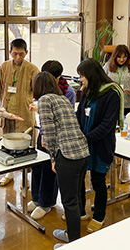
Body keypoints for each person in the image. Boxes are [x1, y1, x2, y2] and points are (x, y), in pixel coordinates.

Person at [32, 71, 89, 249]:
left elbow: (48, 134)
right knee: (76, 199)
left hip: (67, 156)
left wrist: (53, 159)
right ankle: (72, 235)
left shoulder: (44, 101)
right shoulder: (63, 98)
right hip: (83, 152)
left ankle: (73, 243)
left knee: (69, 202)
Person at [76, 58, 124, 234]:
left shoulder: (111, 94)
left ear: (91, 75)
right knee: (79, 178)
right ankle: (80, 212)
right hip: (84, 144)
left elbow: (107, 126)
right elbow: (80, 114)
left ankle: (98, 216)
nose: (81, 79)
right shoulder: (88, 91)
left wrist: (85, 138)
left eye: (82, 76)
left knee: (98, 182)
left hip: (101, 146)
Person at [28, 60, 77, 220]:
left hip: (56, 138)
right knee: (37, 167)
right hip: (42, 133)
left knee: (50, 170)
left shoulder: (67, 92)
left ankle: (46, 203)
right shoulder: (44, 91)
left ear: (57, 77)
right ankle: (36, 198)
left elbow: (62, 118)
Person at [0, 38, 40, 186]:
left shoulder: (33, 69)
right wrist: (1, 108)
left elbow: (37, 92)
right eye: (14, 54)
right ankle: (9, 173)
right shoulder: (4, 67)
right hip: (7, 112)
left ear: (26, 52)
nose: (18, 58)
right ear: (10, 52)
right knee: (8, 145)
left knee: (25, 147)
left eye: (21, 54)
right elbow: (1, 89)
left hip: (24, 114)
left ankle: (25, 178)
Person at [103, 44, 130, 115]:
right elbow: (102, 82)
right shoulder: (107, 66)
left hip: (126, 102)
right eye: (119, 57)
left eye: (124, 57)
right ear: (115, 56)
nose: (121, 60)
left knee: (124, 123)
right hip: (110, 101)